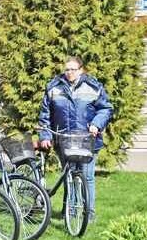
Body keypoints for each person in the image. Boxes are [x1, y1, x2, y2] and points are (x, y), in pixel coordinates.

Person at [38, 55, 112, 206]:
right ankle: (71, 213)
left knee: (87, 177)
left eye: (73, 69)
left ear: (81, 70)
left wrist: (96, 124)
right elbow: (45, 115)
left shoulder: (93, 87)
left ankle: (88, 213)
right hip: (64, 141)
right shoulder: (53, 87)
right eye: (67, 69)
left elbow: (105, 109)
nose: (69, 72)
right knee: (69, 176)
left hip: (87, 141)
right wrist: (45, 135)